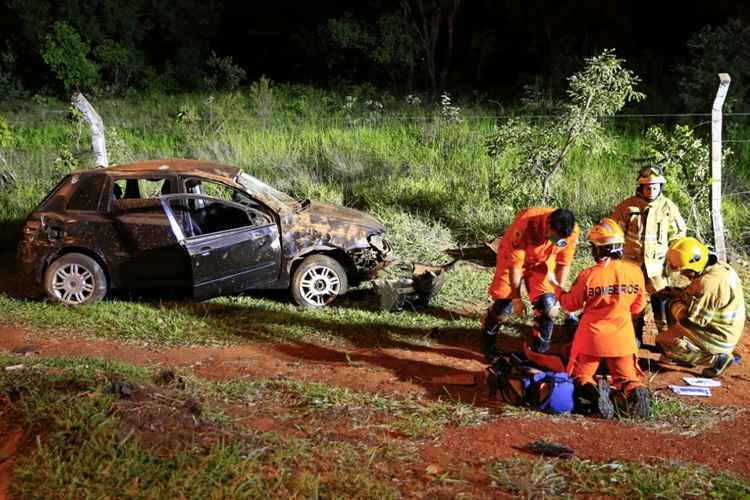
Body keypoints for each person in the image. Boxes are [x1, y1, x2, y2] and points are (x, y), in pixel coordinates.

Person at [554, 218, 650, 419]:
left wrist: (556, 290)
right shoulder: (635, 272)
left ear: (597, 249)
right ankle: (633, 390)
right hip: (623, 337)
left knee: (581, 376)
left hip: (591, 338)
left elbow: (570, 304)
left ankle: (595, 393)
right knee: (627, 377)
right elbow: (638, 307)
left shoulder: (589, 275)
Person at [481, 207, 578, 359]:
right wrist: (517, 298)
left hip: (541, 262)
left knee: (549, 307)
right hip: (512, 260)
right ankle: (487, 342)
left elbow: (563, 263)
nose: (553, 240)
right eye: (552, 236)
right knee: (503, 309)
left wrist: (559, 293)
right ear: (547, 225)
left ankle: (539, 354)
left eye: (557, 239)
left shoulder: (569, 234)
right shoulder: (525, 224)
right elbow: (515, 268)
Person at [611, 165, 687, 345]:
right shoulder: (627, 206)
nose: (651, 190)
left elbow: (678, 234)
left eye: (654, 187)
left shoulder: (668, 207)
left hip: (657, 267)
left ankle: (664, 338)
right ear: (640, 187)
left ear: (660, 187)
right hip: (631, 264)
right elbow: (615, 231)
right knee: (632, 300)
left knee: (661, 301)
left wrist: (673, 259)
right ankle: (634, 336)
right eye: (647, 187)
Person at [656, 237, 745, 378]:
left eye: (684, 271)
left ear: (694, 266)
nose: (682, 274)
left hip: (718, 336)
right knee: (673, 303)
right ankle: (692, 351)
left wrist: (673, 302)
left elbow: (689, 320)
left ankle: (716, 359)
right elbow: (697, 293)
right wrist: (679, 293)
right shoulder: (717, 269)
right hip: (722, 329)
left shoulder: (708, 283)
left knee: (663, 341)